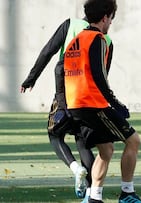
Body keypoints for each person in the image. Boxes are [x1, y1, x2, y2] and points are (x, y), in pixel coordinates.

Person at [20, 16, 114, 199]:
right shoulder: (107, 40)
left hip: (66, 91)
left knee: (54, 135)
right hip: (87, 98)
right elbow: (103, 76)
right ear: (105, 17)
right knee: (83, 141)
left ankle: (75, 168)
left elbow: (48, 51)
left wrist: (31, 78)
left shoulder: (71, 25)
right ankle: (91, 194)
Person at [63, 0, 141, 202]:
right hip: (92, 104)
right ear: (105, 17)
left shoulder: (76, 40)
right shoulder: (97, 39)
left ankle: (94, 197)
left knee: (106, 149)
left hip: (75, 104)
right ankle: (127, 193)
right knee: (133, 140)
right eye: (111, 19)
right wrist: (116, 104)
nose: (110, 24)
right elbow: (99, 76)